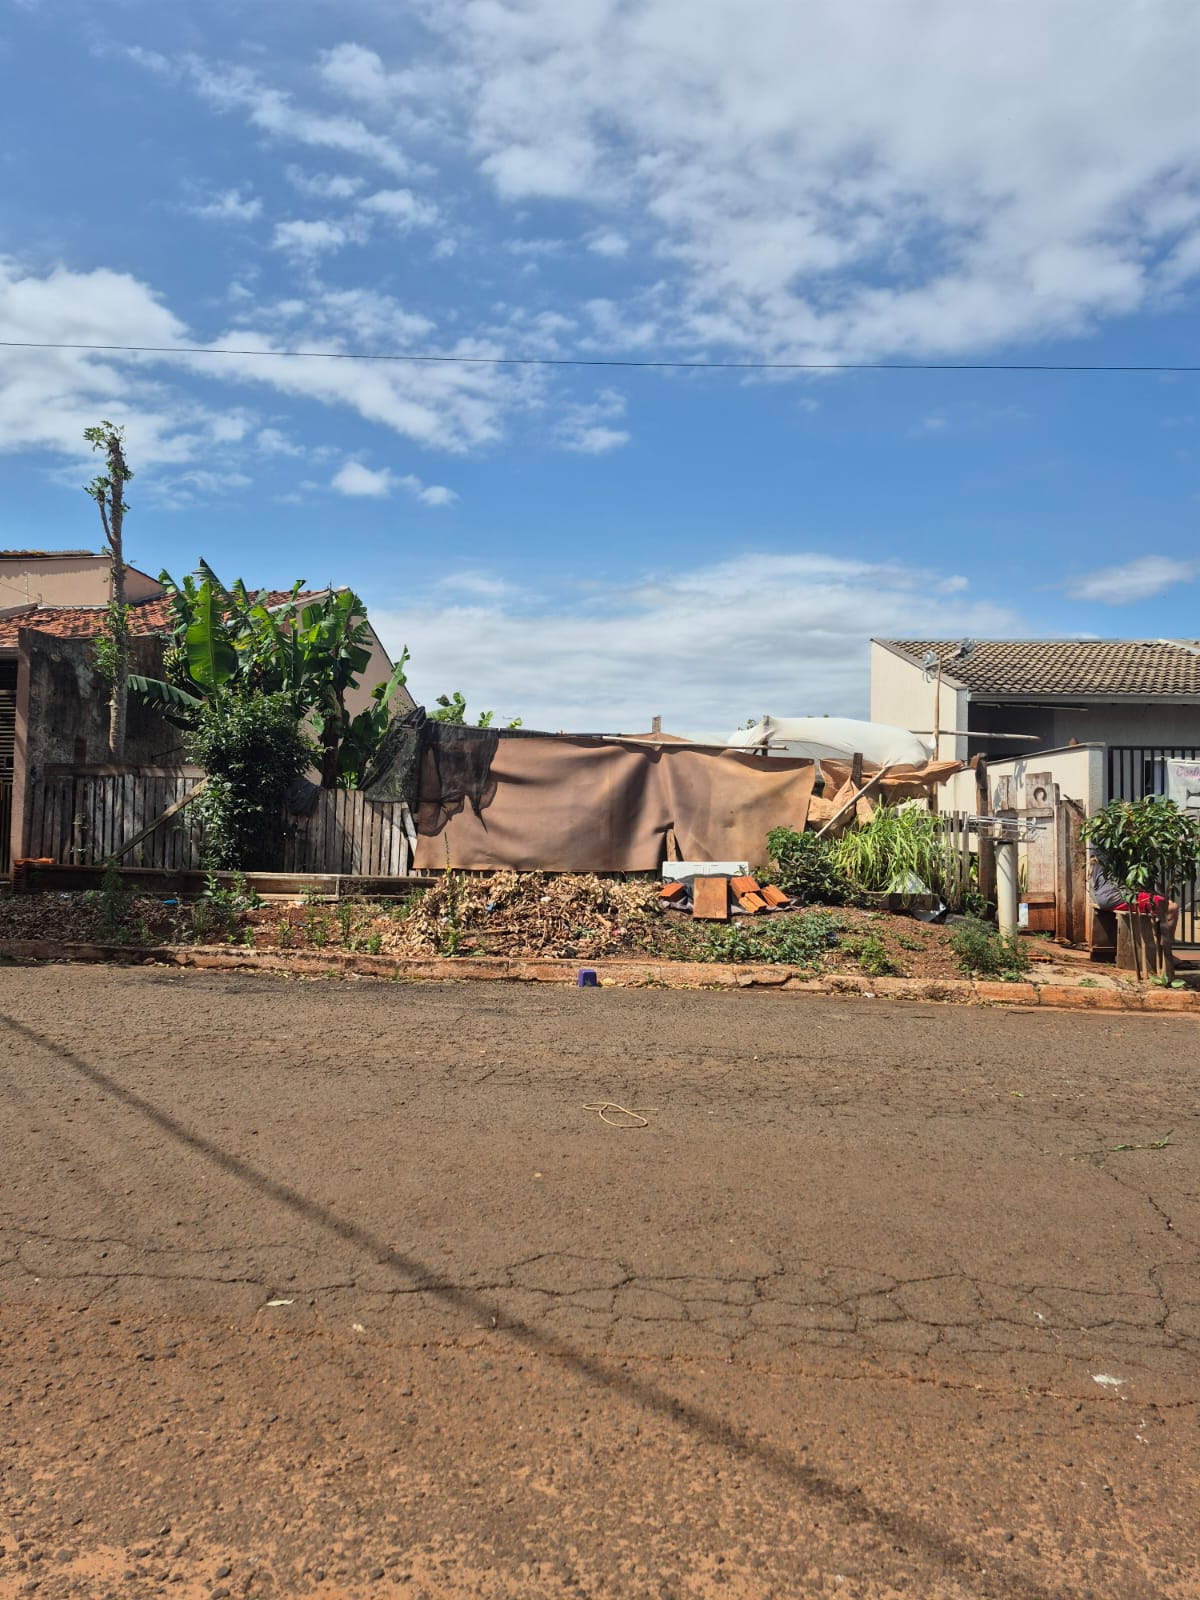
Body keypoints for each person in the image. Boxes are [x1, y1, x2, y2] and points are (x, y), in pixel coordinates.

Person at [1089, 856, 1179, 942]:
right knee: (1172, 907)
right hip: (1117, 896)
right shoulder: (1123, 852)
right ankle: (1166, 951)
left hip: (1100, 896)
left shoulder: (1099, 850)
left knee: (1162, 901)